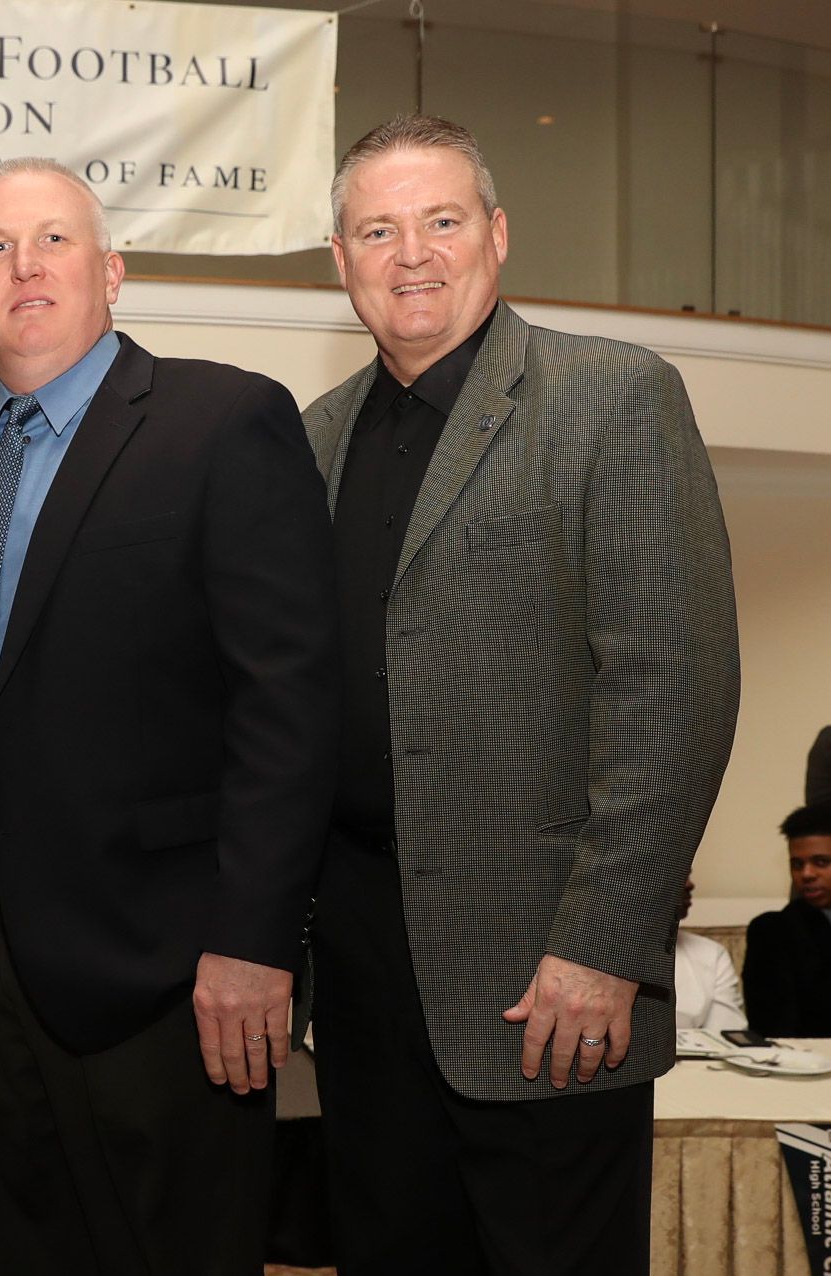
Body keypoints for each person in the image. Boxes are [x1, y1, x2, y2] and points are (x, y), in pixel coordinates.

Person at [301, 115, 739, 1274]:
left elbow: (672, 690)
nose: (412, 254)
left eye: (441, 221)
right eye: (377, 230)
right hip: (360, 983)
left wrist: (604, 944)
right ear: (338, 260)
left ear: (495, 234)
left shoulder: (611, 396)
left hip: (549, 989)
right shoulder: (314, 440)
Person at [0, 159, 335, 1274]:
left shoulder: (221, 419)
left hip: (172, 963)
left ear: (113, 270)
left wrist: (252, 942)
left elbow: (287, 703)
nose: (23, 266)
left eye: (52, 240)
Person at [743, 802, 831, 1037]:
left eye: (821, 862)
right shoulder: (773, 931)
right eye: (797, 864)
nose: (807, 874)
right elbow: (772, 1027)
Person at [672, 877, 746, 1031]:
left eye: (689, 873)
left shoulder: (711, 954)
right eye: (680, 871)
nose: (690, 884)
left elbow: (725, 1034)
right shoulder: (611, 952)